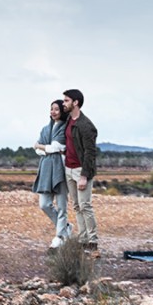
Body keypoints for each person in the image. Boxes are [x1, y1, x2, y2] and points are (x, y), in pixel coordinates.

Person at [61, 88, 98, 254]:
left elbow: (91, 153)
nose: (64, 103)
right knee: (76, 206)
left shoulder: (86, 126)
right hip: (68, 169)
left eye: (67, 100)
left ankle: (93, 242)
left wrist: (84, 176)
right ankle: (83, 240)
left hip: (80, 170)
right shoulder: (69, 120)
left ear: (75, 102)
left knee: (85, 206)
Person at [32, 99, 72, 249]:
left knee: (62, 205)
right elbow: (38, 150)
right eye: (51, 109)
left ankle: (60, 236)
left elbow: (54, 147)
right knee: (44, 205)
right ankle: (65, 227)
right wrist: (45, 148)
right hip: (46, 169)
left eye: (56, 109)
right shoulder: (45, 129)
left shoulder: (65, 128)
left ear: (62, 111)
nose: (53, 112)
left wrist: (42, 146)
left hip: (60, 169)